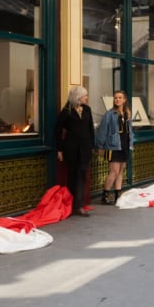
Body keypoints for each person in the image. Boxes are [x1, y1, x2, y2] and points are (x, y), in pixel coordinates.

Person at [56, 85, 94, 217]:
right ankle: (71, 205)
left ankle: (79, 206)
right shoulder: (66, 111)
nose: (86, 97)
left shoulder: (88, 110)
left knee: (82, 176)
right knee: (72, 176)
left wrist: (92, 147)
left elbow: (91, 130)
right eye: (85, 95)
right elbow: (57, 130)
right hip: (71, 149)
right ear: (78, 97)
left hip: (85, 149)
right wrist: (59, 149)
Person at [96, 89, 133, 205]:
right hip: (113, 146)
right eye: (115, 98)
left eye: (120, 98)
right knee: (114, 172)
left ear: (124, 100)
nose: (117, 100)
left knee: (121, 171)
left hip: (125, 145)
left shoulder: (127, 113)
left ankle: (118, 195)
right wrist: (100, 146)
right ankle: (105, 195)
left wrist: (131, 143)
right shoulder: (109, 114)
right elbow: (102, 131)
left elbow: (130, 131)